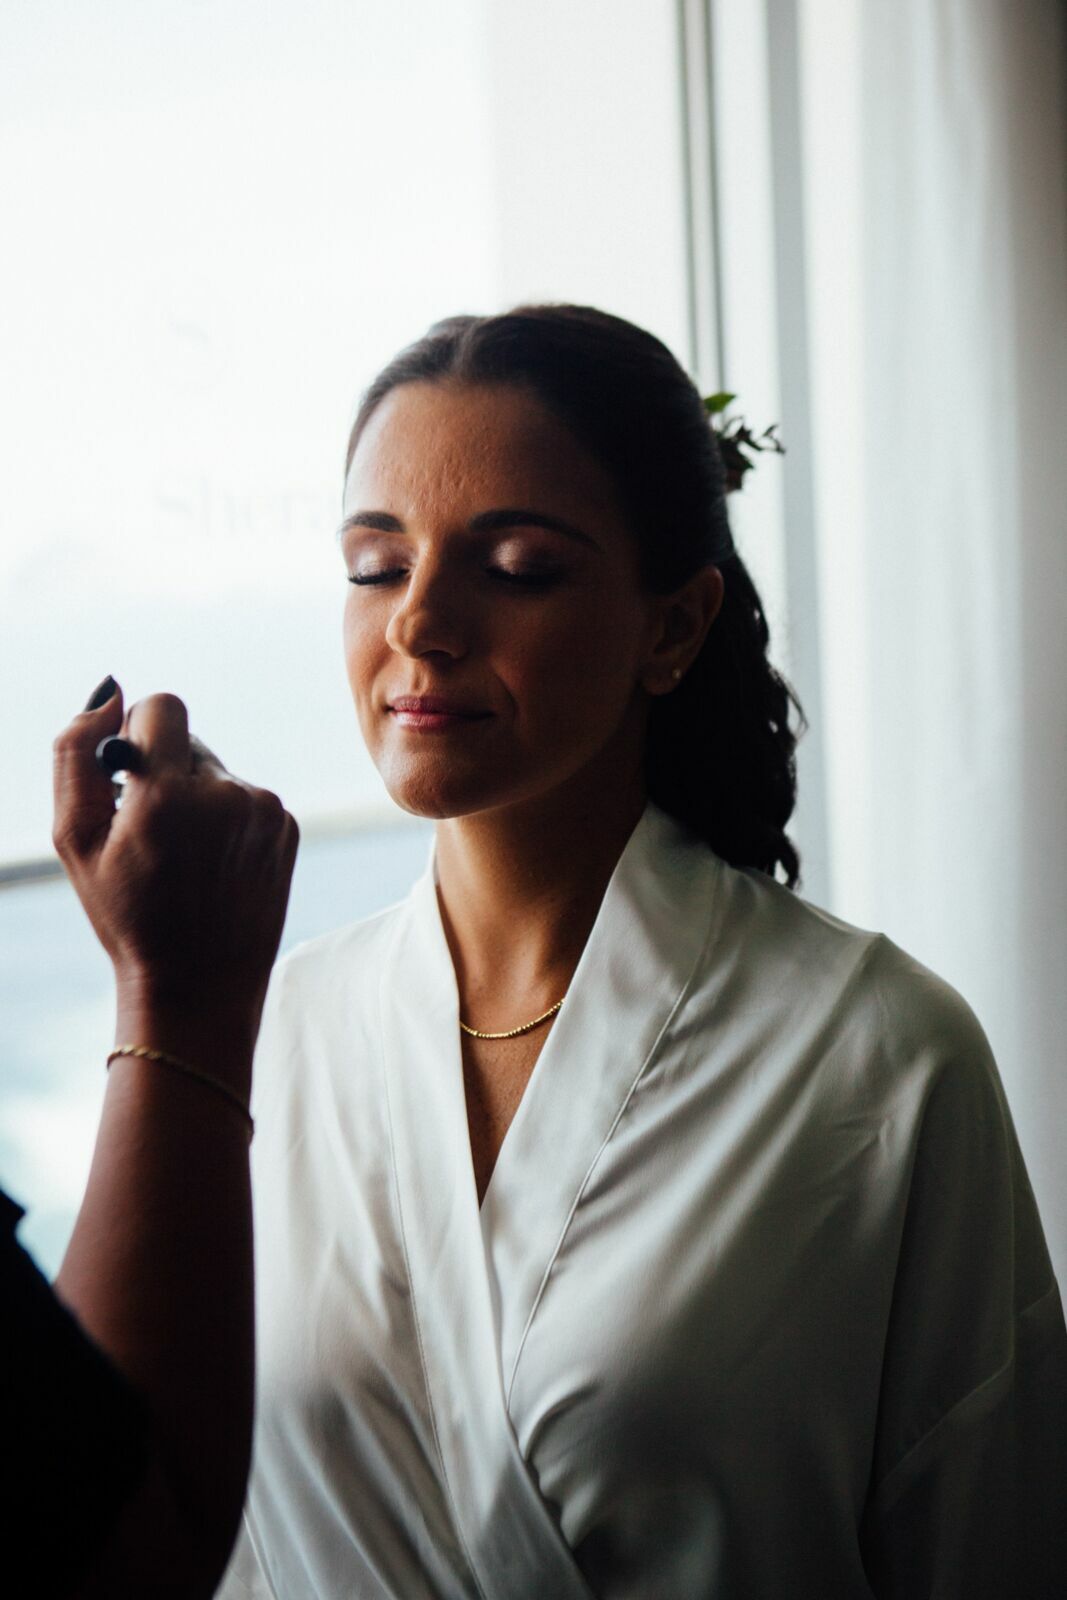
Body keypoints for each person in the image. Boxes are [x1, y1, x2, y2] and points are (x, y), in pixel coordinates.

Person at [220, 304, 1067, 1599]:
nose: (419, 624)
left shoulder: (877, 1057)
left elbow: (991, 1544)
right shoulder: (270, 1033)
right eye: (375, 565)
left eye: (515, 568)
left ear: (669, 627)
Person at [2, 679, 298, 1597]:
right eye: (373, 592)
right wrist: (179, 993)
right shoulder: (304, 1014)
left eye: (521, 595)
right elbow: (122, 1542)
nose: (419, 625)